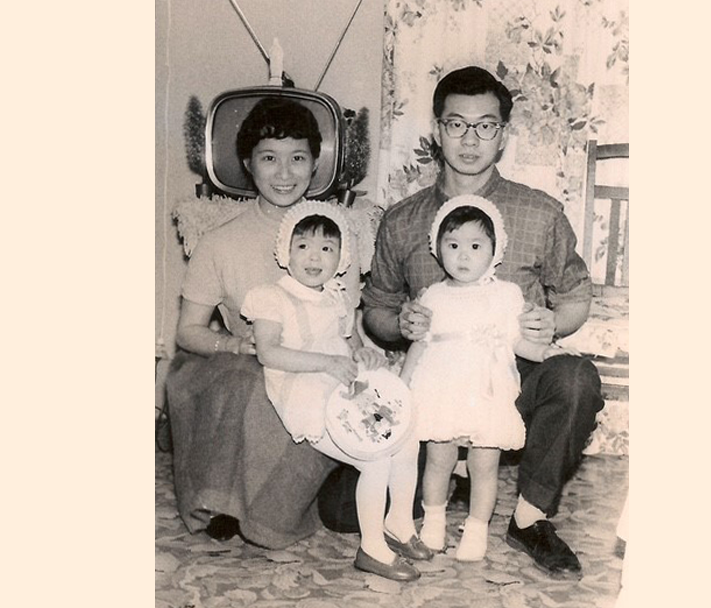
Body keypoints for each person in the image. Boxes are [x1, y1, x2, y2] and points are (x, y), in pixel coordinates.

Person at [347, 65, 605, 579]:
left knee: (576, 378)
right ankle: (452, 480)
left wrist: (549, 322)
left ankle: (529, 518)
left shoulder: (539, 212)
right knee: (342, 512)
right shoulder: (402, 219)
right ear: (437, 130)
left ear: (503, 134)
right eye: (456, 124)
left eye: (485, 125)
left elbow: (576, 294)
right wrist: (400, 322)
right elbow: (375, 308)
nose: (470, 139)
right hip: (433, 385)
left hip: (511, 377)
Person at [165, 96, 362, 549]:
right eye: (269, 159)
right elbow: (188, 331)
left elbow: (344, 325)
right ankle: (224, 502)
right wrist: (234, 345)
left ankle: (278, 507)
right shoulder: (219, 242)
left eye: (298, 158)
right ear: (247, 163)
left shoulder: (337, 238)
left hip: (314, 371)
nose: (285, 173)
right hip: (242, 369)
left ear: (315, 164)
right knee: (249, 381)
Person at [242, 202, 430, 581]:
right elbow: (269, 352)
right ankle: (372, 548)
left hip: (341, 380)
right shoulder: (270, 296)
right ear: (286, 252)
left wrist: (360, 350)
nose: (315, 257)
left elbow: (349, 339)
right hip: (304, 389)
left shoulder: (336, 295)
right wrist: (327, 363)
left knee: (406, 438)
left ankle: (398, 522)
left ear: (340, 257)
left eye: (327, 249)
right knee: (375, 458)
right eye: (304, 247)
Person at [399, 195, 578, 562]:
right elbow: (421, 344)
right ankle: (433, 521)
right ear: (438, 250)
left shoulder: (505, 294)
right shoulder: (433, 295)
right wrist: (402, 386)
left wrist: (547, 351)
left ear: (494, 252)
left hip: (485, 390)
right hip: (441, 387)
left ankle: (477, 529)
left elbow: (519, 342)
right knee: (439, 459)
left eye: (475, 246)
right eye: (453, 246)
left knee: (484, 464)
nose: (463, 256)